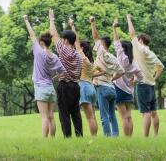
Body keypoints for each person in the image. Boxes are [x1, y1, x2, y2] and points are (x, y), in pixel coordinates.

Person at [23, 15, 66, 138]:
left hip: (41, 88)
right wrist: (53, 78)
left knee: (44, 117)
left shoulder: (38, 51)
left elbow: (32, 34)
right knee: (51, 116)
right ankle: (52, 140)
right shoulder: (55, 57)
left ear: (41, 42)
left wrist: (26, 20)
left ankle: (44, 140)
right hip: (50, 88)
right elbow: (62, 73)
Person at [126, 14, 164, 137]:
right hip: (151, 85)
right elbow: (161, 67)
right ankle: (156, 136)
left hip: (143, 85)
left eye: (138, 39)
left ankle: (146, 137)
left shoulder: (140, 48)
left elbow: (132, 34)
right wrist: (154, 78)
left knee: (145, 112)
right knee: (154, 112)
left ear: (140, 41)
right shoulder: (152, 53)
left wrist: (128, 19)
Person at [48, 9, 83, 138]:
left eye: (63, 40)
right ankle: (79, 136)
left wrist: (51, 19)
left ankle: (67, 138)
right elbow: (79, 75)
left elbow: (53, 34)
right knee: (76, 114)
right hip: (76, 86)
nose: (61, 41)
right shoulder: (79, 56)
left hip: (65, 86)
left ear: (66, 41)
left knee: (64, 114)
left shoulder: (63, 51)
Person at [68, 18, 106, 137]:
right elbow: (103, 71)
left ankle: (93, 139)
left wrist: (72, 26)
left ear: (82, 49)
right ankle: (94, 137)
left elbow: (76, 41)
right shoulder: (91, 62)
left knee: (89, 117)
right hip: (91, 87)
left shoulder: (83, 58)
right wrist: (92, 75)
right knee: (93, 116)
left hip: (83, 87)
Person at [90, 16, 124, 137]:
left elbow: (95, 37)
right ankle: (115, 135)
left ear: (103, 44)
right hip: (112, 88)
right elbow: (122, 72)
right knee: (112, 115)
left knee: (104, 116)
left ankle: (107, 137)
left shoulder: (102, 53)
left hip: (102, 88)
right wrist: (112, 78)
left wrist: (92, 23)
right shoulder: (113, 57)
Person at [112, 18, 144, 137]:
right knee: (129, 116)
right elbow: (140, 76)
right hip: (129, 92)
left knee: (123, 117)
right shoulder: (133, 62)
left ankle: (126, 139)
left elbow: (116, 42)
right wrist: (134, 81)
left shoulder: (121, 58)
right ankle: (129, 138)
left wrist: (114, 28)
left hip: (119, 90)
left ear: (123, 49)